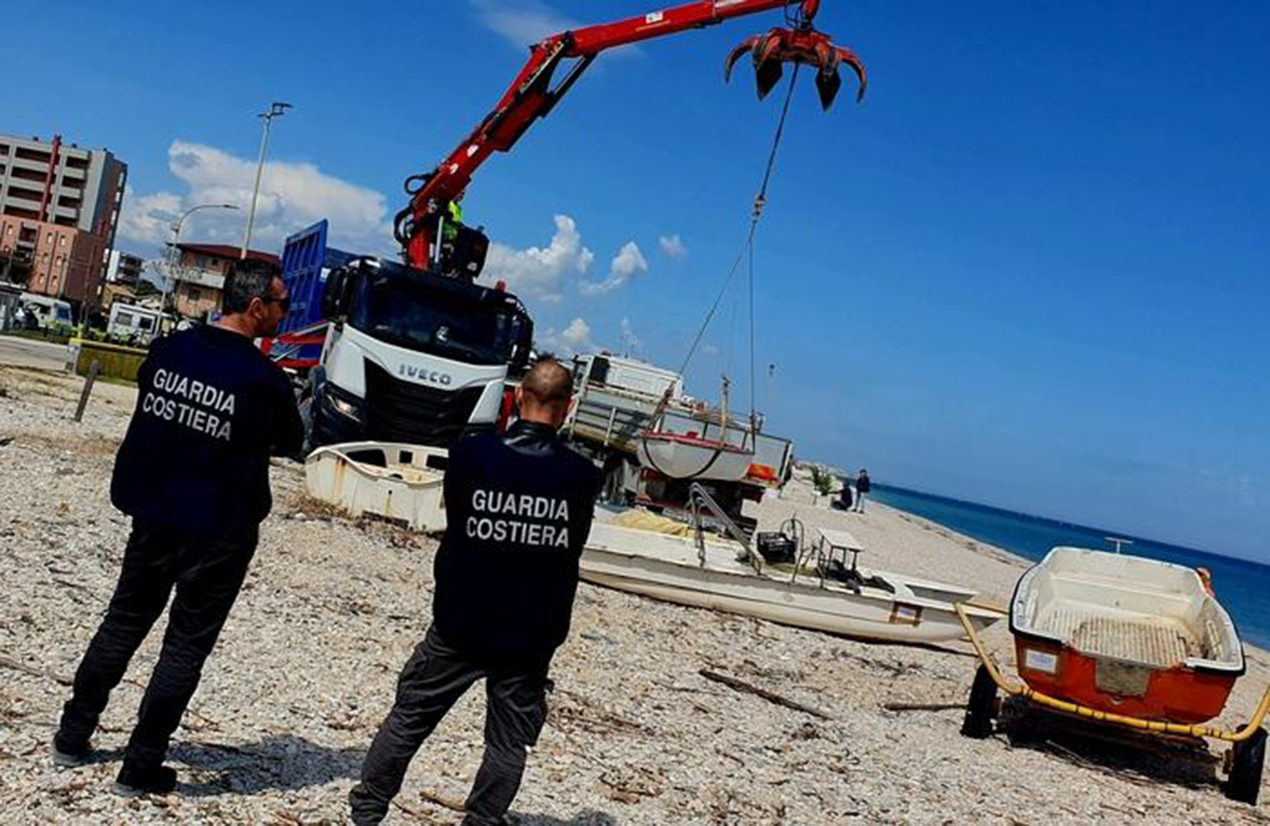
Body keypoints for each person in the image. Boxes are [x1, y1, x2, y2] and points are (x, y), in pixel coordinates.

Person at [52, 259, 303, 796]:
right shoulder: (263, 381)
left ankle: (72, 735)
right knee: (184, 648)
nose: (289, 313)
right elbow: (289, 441)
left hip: (155, 514)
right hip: (219, 532)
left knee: (122, 622)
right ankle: (140, 765)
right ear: (256, 307)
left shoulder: (170, 350)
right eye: (283, 304)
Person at [350, 359, 603, 826]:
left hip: (461, 618)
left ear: (515, 398)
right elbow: (574, 543)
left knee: (410, 717)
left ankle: (367, 811)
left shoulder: (472, 454)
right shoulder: (582, 477)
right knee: (508, 743)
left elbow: (458, 515)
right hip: (530, 631)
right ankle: (482, 821)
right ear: (566, 409)